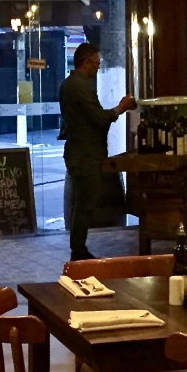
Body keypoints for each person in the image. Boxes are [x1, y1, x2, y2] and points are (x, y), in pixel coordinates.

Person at [59, 42, 135, 261]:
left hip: (77, 152)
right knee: (84, 205)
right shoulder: (80, 86)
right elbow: (99, 119)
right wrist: (121, 107)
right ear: (86, 63)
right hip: (86, 155)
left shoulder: (68, 84)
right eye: (97, 63)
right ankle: (78, 250)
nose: (98, 67)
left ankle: (78, 248)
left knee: (81, 204)